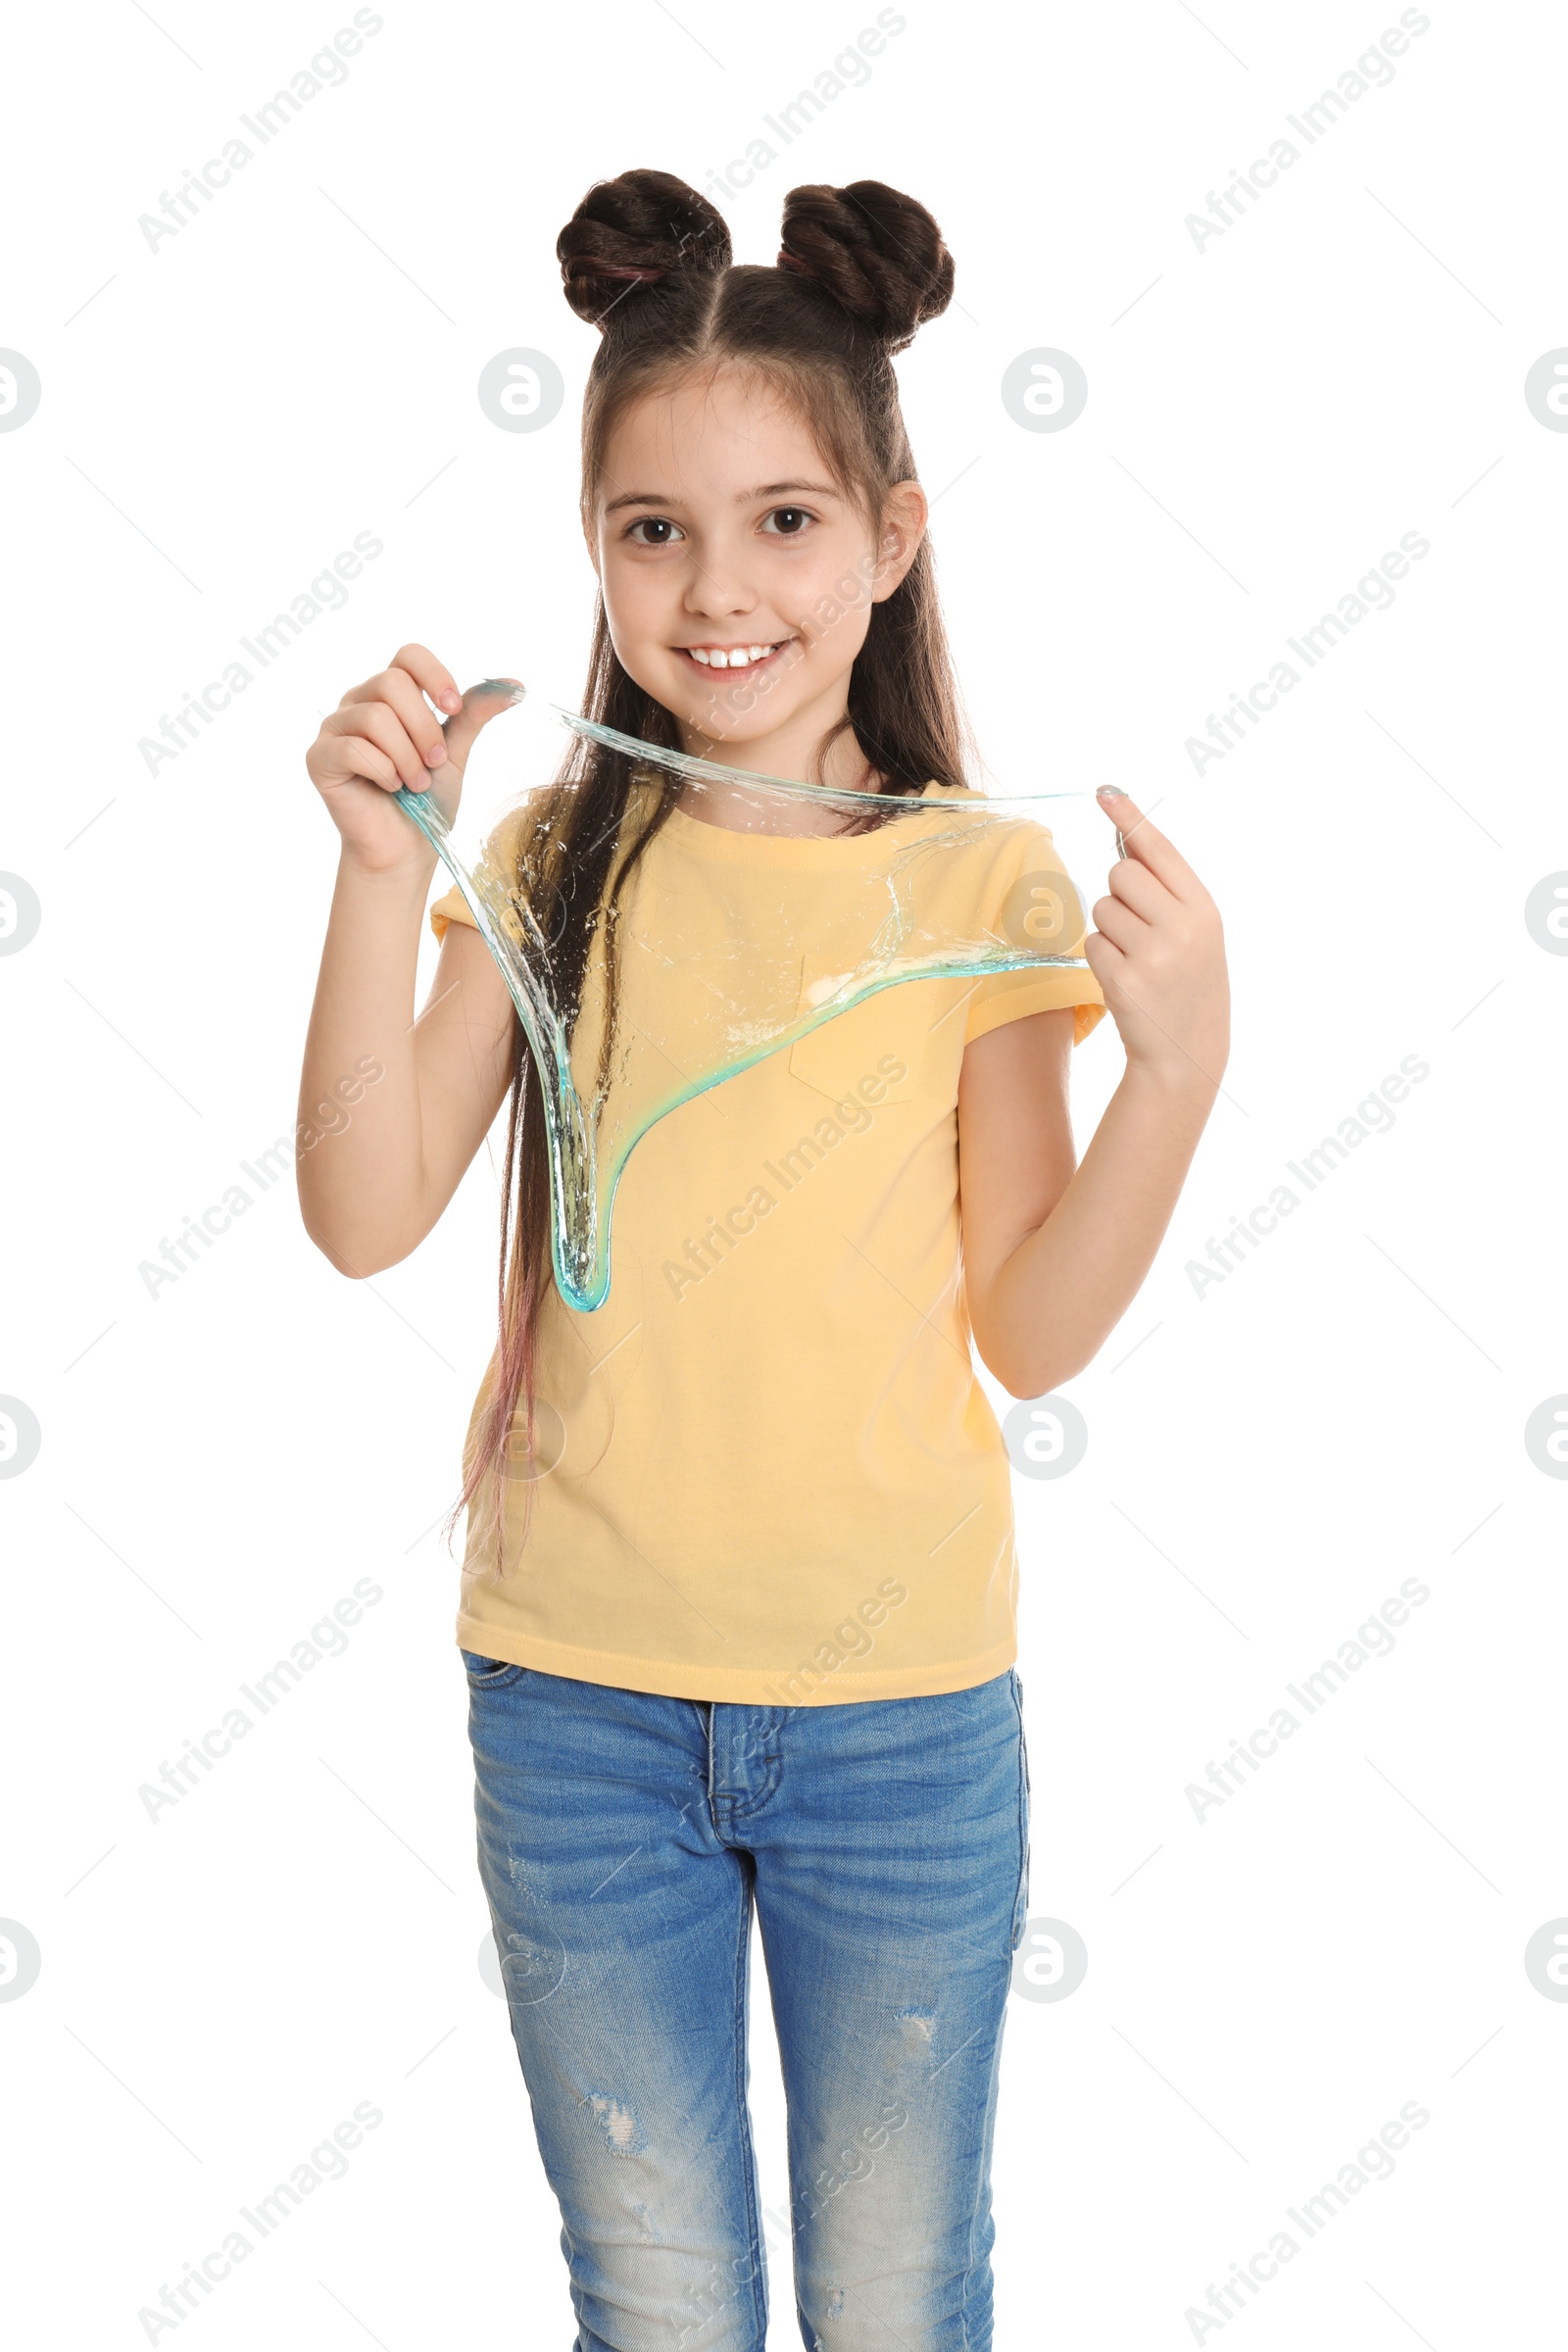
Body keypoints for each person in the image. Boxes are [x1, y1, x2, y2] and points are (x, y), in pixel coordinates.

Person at [297, 169, 1228, 2352]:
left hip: (901, 1726)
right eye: (654, 530)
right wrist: (369, 877)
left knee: (899, 2301)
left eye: (786, 521)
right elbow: (362, 1214)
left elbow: (1032, 1323)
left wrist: (1172, 1075)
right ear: (596, 552)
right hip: (575, 1706)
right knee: (657, 2300)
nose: (719, 589)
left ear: (892, 537)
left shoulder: (978, 885)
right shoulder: (537, 859)